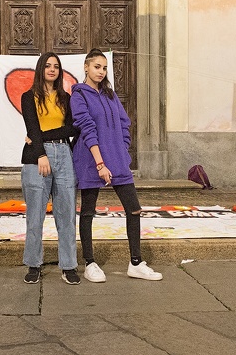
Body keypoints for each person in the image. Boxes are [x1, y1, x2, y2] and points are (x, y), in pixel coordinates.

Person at [71, 49, 162, 281]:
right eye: (96, 67)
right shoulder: (78, 95)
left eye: (104, 68)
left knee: (134, 209)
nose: (101, 72)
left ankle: (135, 262)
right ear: (86, 67)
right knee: (88, 211)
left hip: (116, 158)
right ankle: (90, 262)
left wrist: (123, 150)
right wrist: (100, 163)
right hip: (92, 159)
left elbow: (124, 123)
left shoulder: (110, 95)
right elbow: (87, 128)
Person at [20, 52, 91, 285]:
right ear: (40, 68)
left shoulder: (65, 98)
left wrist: (41, 136)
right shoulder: (28, 96)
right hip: (36, 157)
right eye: (48, 65)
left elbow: (72, 128)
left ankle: (69, 265)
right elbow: (31, 125)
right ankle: (33, 264)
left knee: (67, 213)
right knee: (35, 214)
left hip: (63, 154)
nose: (52, 69)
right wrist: (40, 152)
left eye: (56, 66)